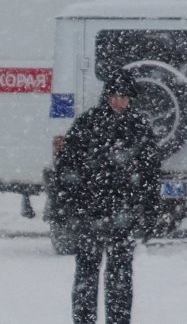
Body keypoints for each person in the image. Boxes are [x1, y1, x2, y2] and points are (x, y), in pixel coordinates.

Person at [54, 70, 162, 324]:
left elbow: (150, 174)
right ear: (106, 96)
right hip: (89, 213)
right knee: (86, 277)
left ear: (131, 99)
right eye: (114, 95)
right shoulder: (87, 123)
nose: (118, 102)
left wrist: (148, 210)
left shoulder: (139, 127)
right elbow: (67, 169)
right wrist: (67, 206)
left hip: (123, 215)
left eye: (123, 96)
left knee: (120, 278)